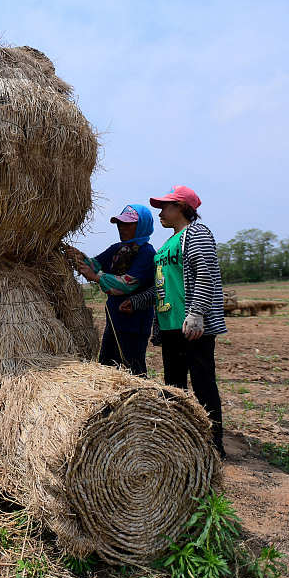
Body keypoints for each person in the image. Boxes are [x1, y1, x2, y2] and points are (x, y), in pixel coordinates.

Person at [130, 185, 227, 458]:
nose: (160, 212)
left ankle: (213, 442)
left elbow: (205, 274)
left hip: (192, 326)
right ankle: (182, 442)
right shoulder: (165, 247)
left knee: (203, 383)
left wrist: (197, 313)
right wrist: (135, 302)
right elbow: (161, 286)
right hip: (171, 326)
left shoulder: (196, 234)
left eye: (166, 206)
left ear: (182, 208)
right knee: (174, 387)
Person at [67, 204, 156, 376]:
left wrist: (97, 277)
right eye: (120, 224)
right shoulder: (118, 248)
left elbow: (126, 284)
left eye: (128, 224)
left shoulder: (146, 253)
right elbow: (95, 264)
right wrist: (78, 257)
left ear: (142, 225)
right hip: (114, 320)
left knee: (133, 370)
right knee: (107, 367)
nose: (122, 228)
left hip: (134, 324)